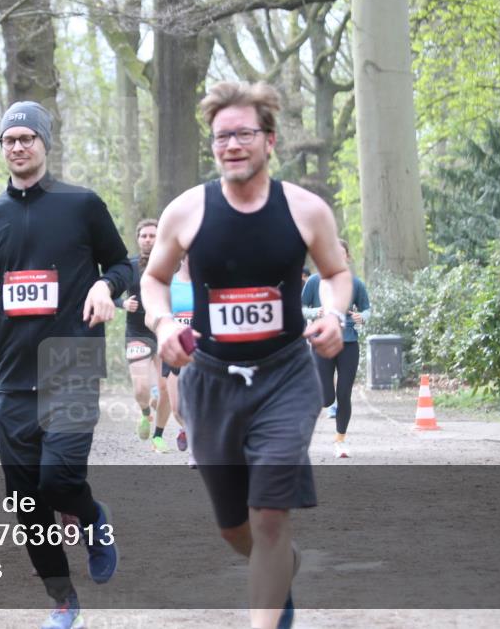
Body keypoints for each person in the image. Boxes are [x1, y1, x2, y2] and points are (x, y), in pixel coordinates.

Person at [140, 81, 352, 629]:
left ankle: (271, 573)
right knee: (236, 529)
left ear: (269, 140)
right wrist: (163, 323)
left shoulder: (305, 209)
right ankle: (279, 566)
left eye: (243, 134)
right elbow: (154, 280)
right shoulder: (187, 211)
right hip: (211, 383)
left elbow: (336, 273)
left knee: (268, 522)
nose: (232, 145)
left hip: (285, 378)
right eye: (221, 137)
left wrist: (333, 314)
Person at [0, 101, 130, 629]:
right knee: (26, 501)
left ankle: (94, 519)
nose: (18, 147)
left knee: (59, 480)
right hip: (12, 372)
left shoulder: (82, 205)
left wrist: (105, 285)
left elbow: (123, 264)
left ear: (44, 144)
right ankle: (62, 600)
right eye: (9, 140)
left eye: (28, 138)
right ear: (2, 149)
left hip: (71, 358)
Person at [301, 239, 371, 458]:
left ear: (347, 257)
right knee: (326, 398)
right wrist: (316, 313)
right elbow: (300, 308)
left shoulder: (355, 283)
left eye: (341, 254)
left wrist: (363, 317)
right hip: (321, 343)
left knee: (344, 394)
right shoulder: (313, 282)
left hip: (348, 343)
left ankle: (340, 440)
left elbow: (367, 309)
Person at [117, 218, 174, 453]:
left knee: (165, 389)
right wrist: (122, 302)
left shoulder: (172, 263)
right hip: (137, 333)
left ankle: (158, 436)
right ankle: (145, 413)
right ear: (138, 239)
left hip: (163, 330)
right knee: (141, 388)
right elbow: (106, 291)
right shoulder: (128, 265)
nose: (148, 239)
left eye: (153, 235)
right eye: (144, 236)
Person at [161, 256, 192, 463]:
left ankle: (197, 448)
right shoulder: (168, 283)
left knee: (201, 400)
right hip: (174, 347)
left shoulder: (207, 281)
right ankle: (186, 428)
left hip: (200, 349)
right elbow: (155, 315)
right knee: (177, 407)